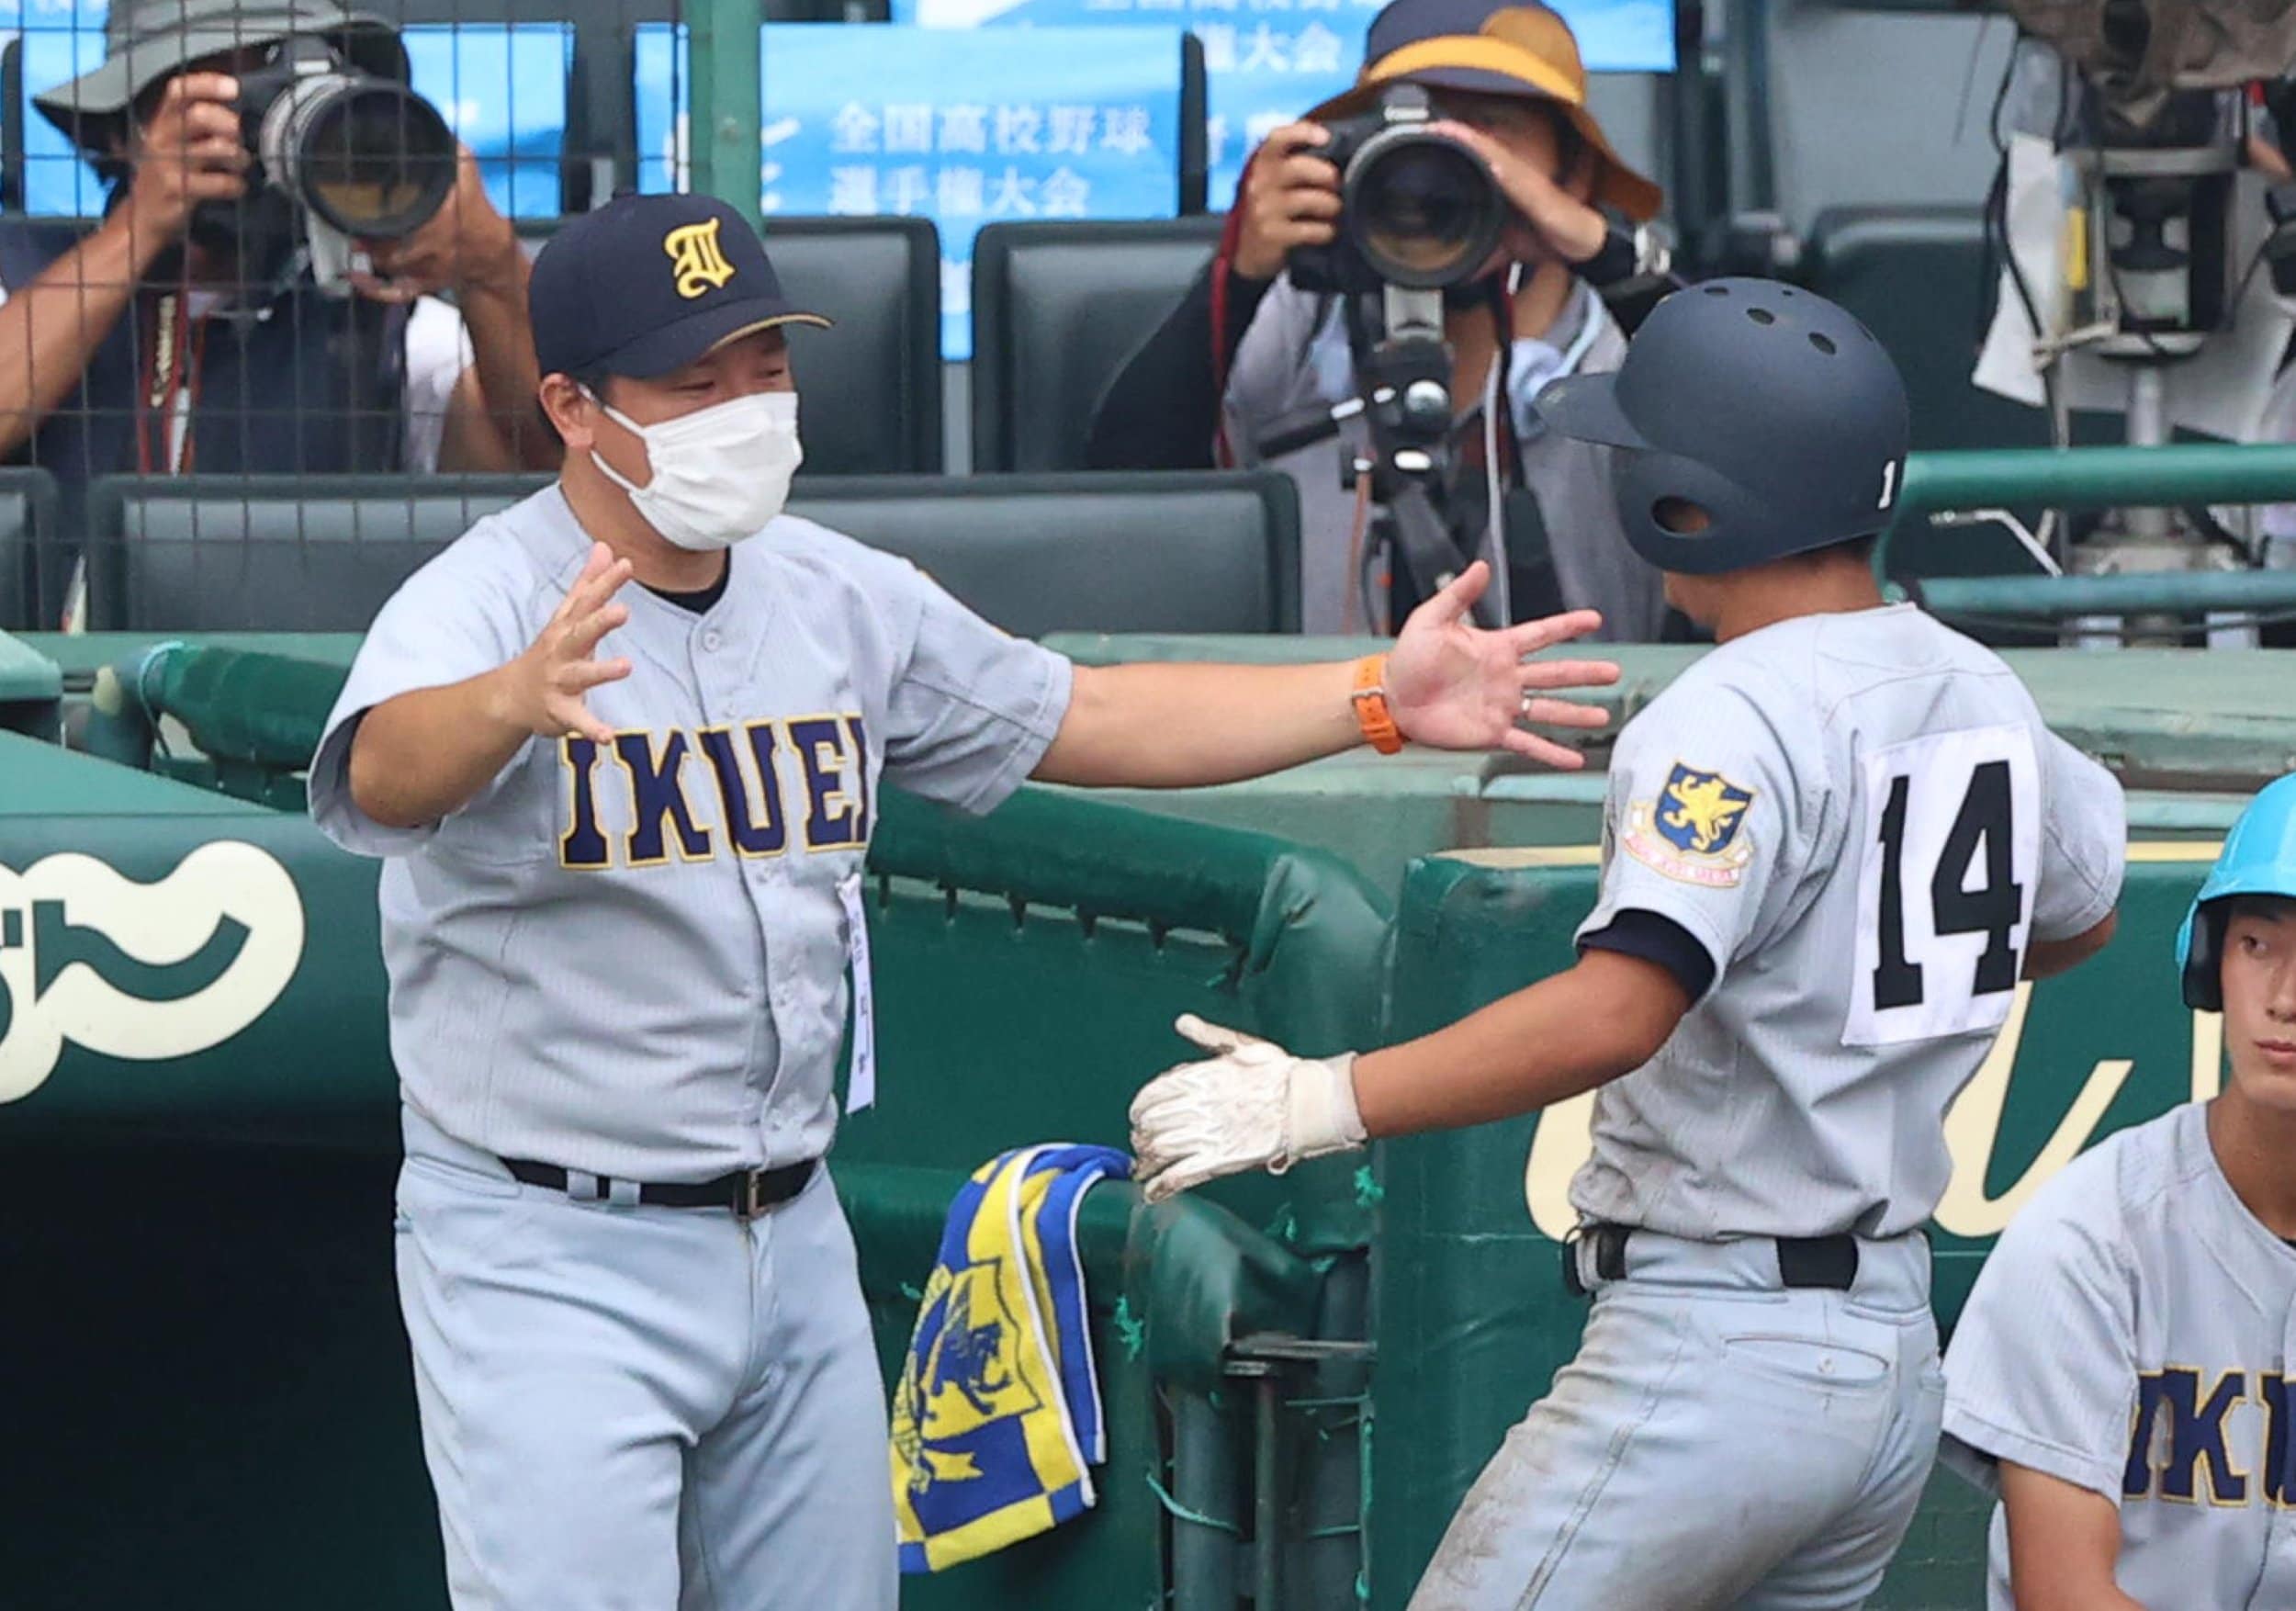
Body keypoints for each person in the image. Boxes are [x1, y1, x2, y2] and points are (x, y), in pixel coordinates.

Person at [305, 190, 1621, 1611]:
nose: (746, 404)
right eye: (696, 380)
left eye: (766, 364)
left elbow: (1090, 713)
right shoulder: (487, 601)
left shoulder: (832, 593)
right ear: (571, 404)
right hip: (551, 1239)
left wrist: (1374, 695)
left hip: (786, 1225)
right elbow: (380, 776)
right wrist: (506, 702)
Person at [1128, 280, 2129, 1609]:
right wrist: (1848, 982)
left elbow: (1617, 1013)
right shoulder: (1980, 684)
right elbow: (2082, 910)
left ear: (1693, 498)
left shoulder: (1729, 712)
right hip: (1890, 1352)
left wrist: (1327, 1096)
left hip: (1717, 1347)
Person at [1086, 0, 1672, 642]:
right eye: (1419, 135)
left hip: (1583, 730)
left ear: (1577, 171)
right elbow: (1123, 496)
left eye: (1491, 129)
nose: (1443, 172)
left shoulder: (1635, 346)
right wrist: (1242, 275)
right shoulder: (1300, 321)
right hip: (1314, 733)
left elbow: (1763, 464)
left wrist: (1609, 256)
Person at [0, 0, 552, 591]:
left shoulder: (383, 310)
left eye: (280, 85)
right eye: (218, 98)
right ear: (123, 132)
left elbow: (540, 466)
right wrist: (140, 227)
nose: (249, 127)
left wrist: (492, 268)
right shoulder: (26, 270)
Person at [1939, 773, 2296, 1611]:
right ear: (2212, 962)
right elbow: (2063, 1595)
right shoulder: (2090, 1236)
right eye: (2257, 944)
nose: (2285, 997)